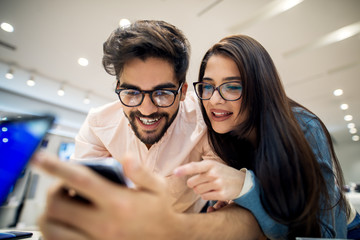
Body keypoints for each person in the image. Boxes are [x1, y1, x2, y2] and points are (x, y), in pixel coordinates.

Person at [174, 34, 360, 239]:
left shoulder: (303, 128)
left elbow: (325, 233)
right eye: (207, 86)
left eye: (233, 87)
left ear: (259, 88)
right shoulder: (223, 135)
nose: (214, 99)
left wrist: (245, 186)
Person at [72, 19, 220, 213]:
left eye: (162, 93)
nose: (147, 110)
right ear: (118, 88)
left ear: (183, 91)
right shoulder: (98, 125)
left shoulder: (206, 120)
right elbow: (82, 198)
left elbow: (222, 192)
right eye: (132, 93)